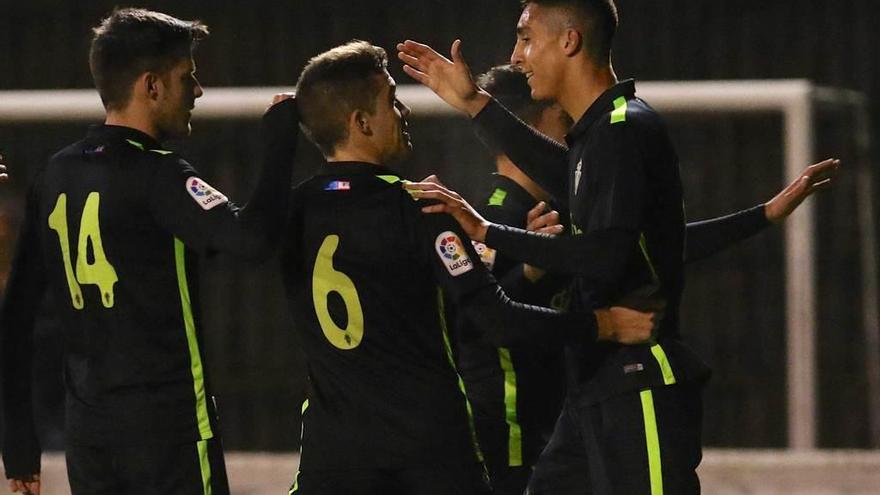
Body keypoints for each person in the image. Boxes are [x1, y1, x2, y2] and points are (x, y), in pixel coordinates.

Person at [398, 1, 840, 492]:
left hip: (638, 381)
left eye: (526, 38)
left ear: (569, 41)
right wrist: (477, 105)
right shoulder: (599, 133)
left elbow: (608, 254)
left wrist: (488, 232)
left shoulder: (623, 128)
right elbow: (637, 229)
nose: (516, 55)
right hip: (594, 387)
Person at [280, 40, 656, 495]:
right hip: (425, 443)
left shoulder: (287, 212)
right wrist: (604, 324)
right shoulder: (423, 209)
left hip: (334, 447)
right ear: (361, 123)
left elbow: (240, 236)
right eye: (391, 102)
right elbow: (497, 320)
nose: (403, 113)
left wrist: (274, 142)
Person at [0, 8, 300, 495]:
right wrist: (282, 141)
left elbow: (15, 320)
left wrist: (18, 446)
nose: (197, 92)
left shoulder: (54, 174)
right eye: (188, 77)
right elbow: (253, 239)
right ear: (152, 86)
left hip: (90, 438)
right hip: (167, 433)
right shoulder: (160, 175)